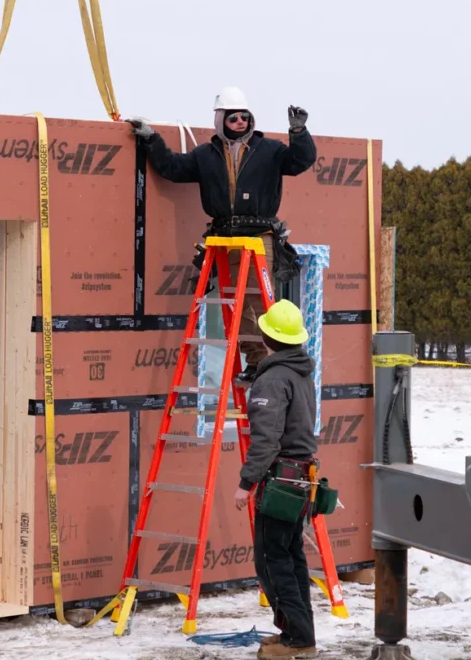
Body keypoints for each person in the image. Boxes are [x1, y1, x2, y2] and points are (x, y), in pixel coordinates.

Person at [125, 87, 318, 384]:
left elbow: (300, 161)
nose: (240, 121)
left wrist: (298, 130)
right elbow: (173, 168)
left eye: (244, 116)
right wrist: (150, 137)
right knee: (235, 305)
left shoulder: (270, 150)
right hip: (225, 237)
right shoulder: (206, 155)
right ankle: (254, 361)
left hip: (258, 235)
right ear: (221, 120)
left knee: (256, 302)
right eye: (233, 117)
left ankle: (265, 365)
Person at [232, 299, 319, 659]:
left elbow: (266, 440)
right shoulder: (299, 373)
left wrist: (246, 483)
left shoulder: (273, 379)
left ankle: (298, 642)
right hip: (299, 477)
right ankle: (297, 634)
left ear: (267, 337)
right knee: (291, 557)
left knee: (272, 560)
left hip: (281, 479)